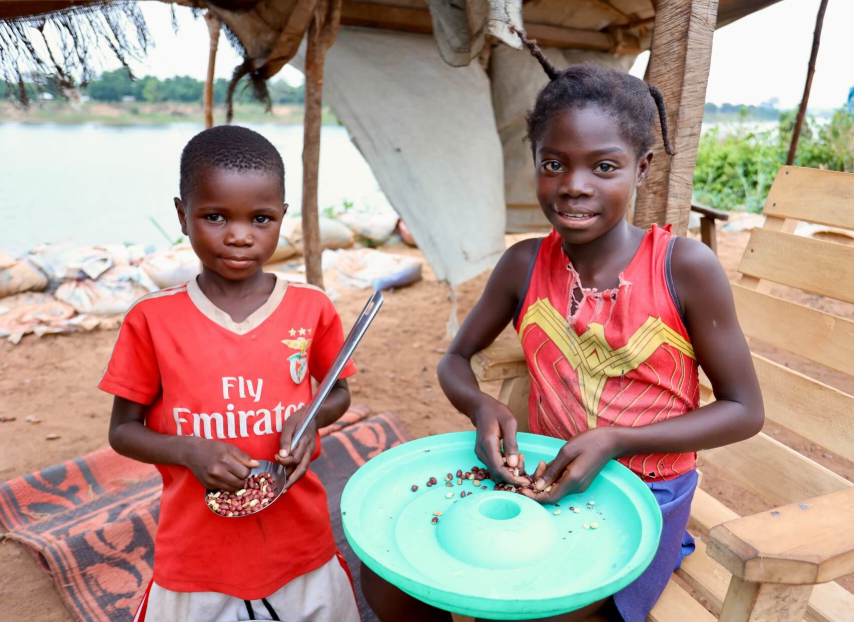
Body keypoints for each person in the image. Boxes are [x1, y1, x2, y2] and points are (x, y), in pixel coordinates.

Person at [362, 32, 765, 622]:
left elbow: (743, 410)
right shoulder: (523, 265)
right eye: (554, 163)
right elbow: (455, 361)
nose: (574, 184)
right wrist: (480, 408)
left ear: (642, 168)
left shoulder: (684, 269)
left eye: (604, 166)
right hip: (543, 477)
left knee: (549, 608)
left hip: (645, 494)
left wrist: (619, 440)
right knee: (389, 579)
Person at [101, 125, 360, 622]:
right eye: (215, 216)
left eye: (260, 218)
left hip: (299, 544)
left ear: (282, 218)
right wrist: (187, 450)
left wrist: (310, 417)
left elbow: (338, 394)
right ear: (182, 215)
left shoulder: (312, 308)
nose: (239, 235)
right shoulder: (151, 320)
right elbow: (122, 431)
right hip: (196, 554)